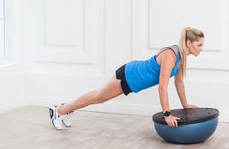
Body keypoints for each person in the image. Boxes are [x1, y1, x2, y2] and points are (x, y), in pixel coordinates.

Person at [49, 27, 205, 130]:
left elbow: (178, 82)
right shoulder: (171, 55)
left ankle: (66, 108)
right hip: (129, 75)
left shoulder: (181, 59)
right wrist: (167, 114)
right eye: (199, 45)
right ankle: (60, 110)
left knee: (98, 97)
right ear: (188, 43)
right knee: (98, 97)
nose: (201, 49)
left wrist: (185, 105)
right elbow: (163, 87)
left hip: (133, 81)